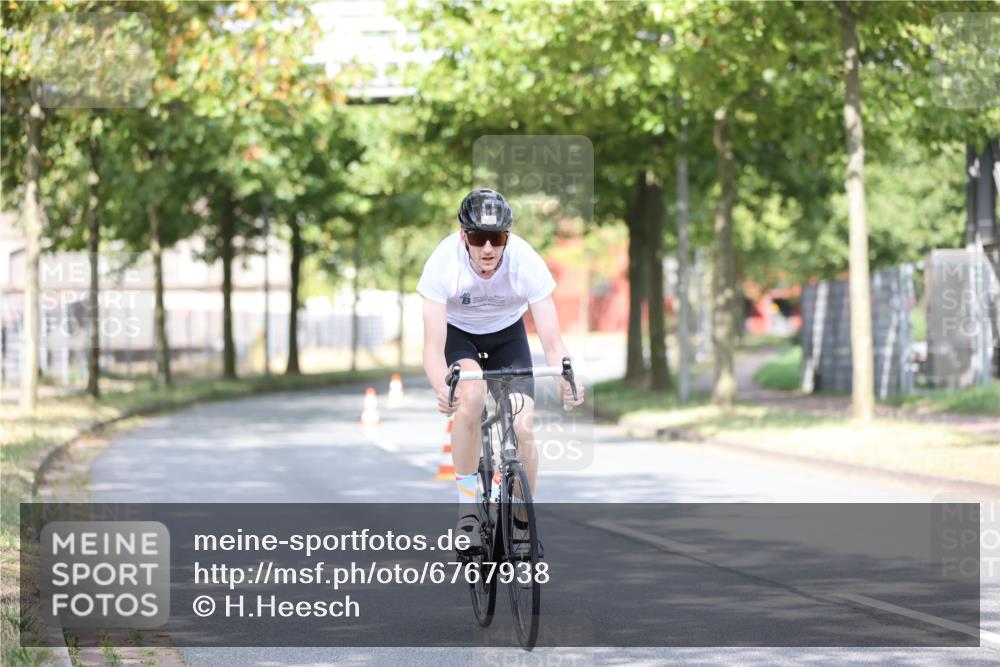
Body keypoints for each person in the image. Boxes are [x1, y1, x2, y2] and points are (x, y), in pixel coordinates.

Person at [417, 188, 585, 552]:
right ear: (464, 237)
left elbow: (553, 342)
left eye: (498, 238)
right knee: (471, 398)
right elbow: (432, 348)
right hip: (459, 335)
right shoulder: (443, 263)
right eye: (478, 238)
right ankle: (468, 513)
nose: (488, 249)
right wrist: (441, 388)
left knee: (524, 423)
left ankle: (522, 521)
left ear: (508, 237)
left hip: (508, 334)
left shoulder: (525, 260)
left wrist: (566, 378)